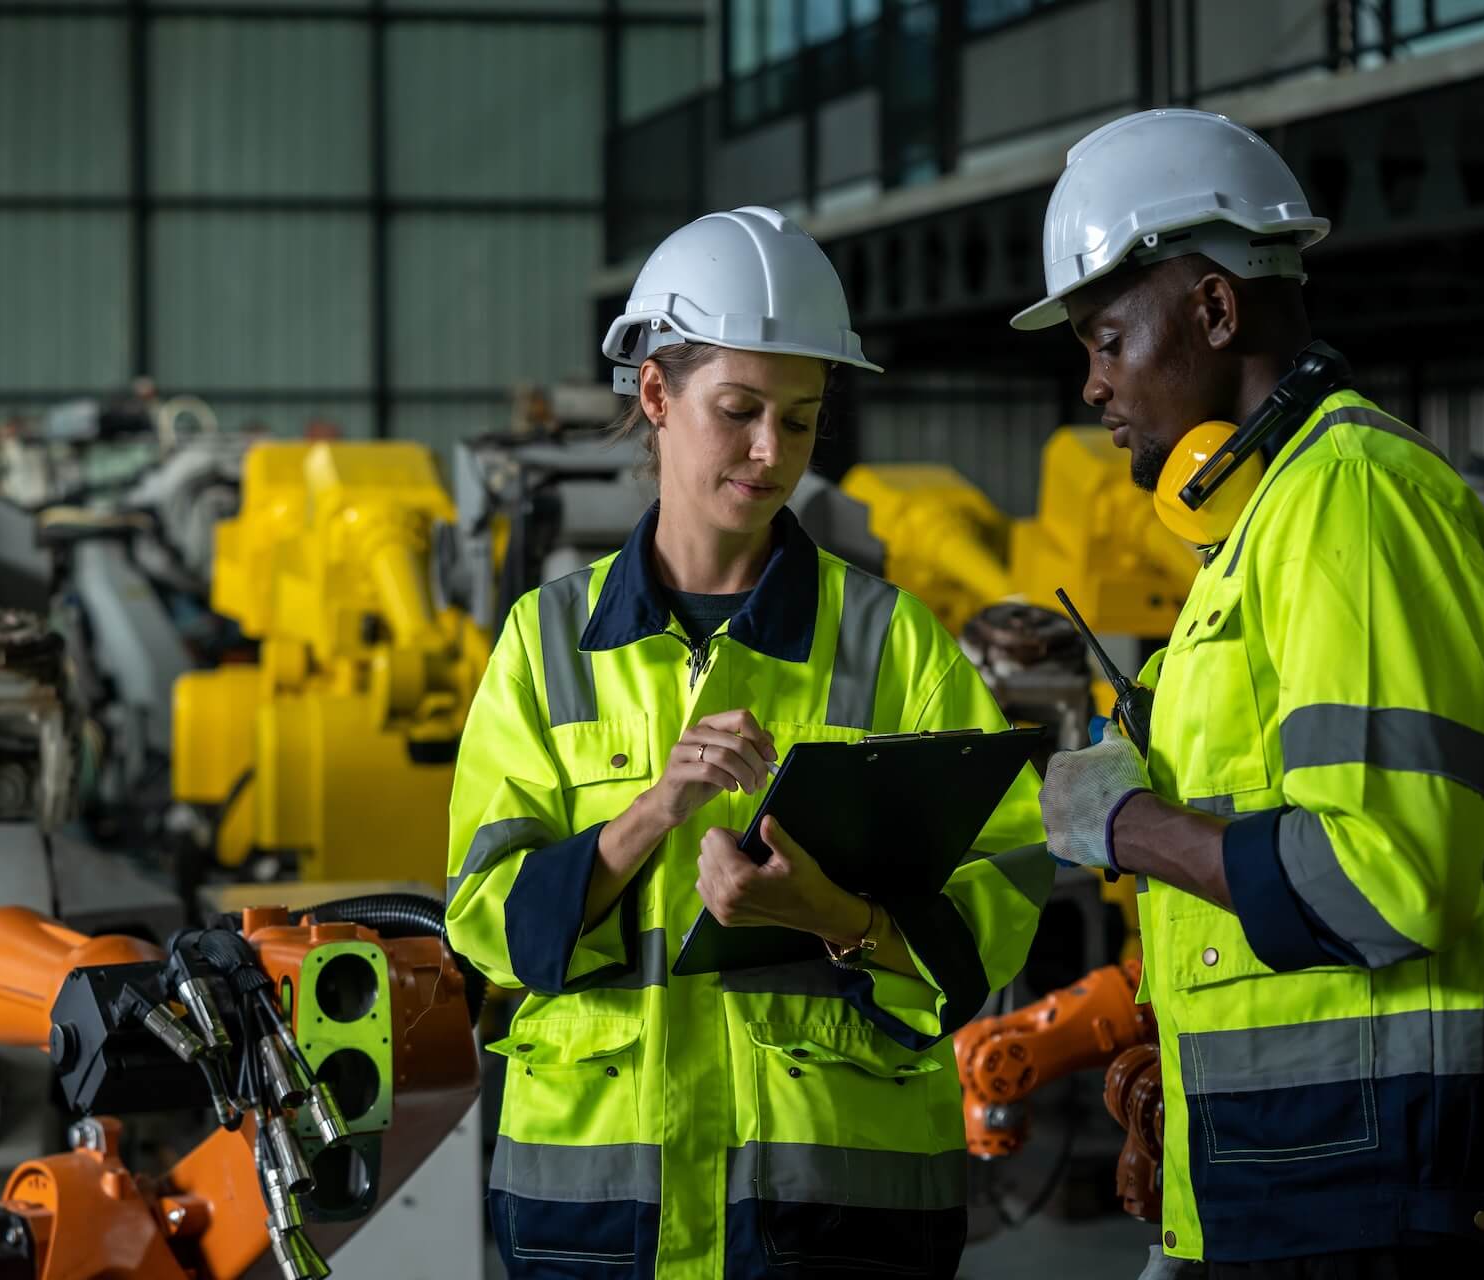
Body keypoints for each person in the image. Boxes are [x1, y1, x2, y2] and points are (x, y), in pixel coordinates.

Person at [443, 206, 1049, 1279]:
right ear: (656, 394)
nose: (774, 452)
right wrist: (647, 818)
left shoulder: (890, 641)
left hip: (835, 1212)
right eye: (740, 409)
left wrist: (832, 915)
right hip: (595, 1215)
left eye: (804, 419)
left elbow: (999, 895)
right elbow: (487, 921)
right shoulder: (545, 646)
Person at [1022, 109, 1484, 1279]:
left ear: (1213, 308)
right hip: (1288, 1173)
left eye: (1107, 338)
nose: (1093, 386)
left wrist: (1126, 826)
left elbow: (1384, 879)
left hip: (1374, 1189)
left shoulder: (1349, 503)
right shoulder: (1252, 537)